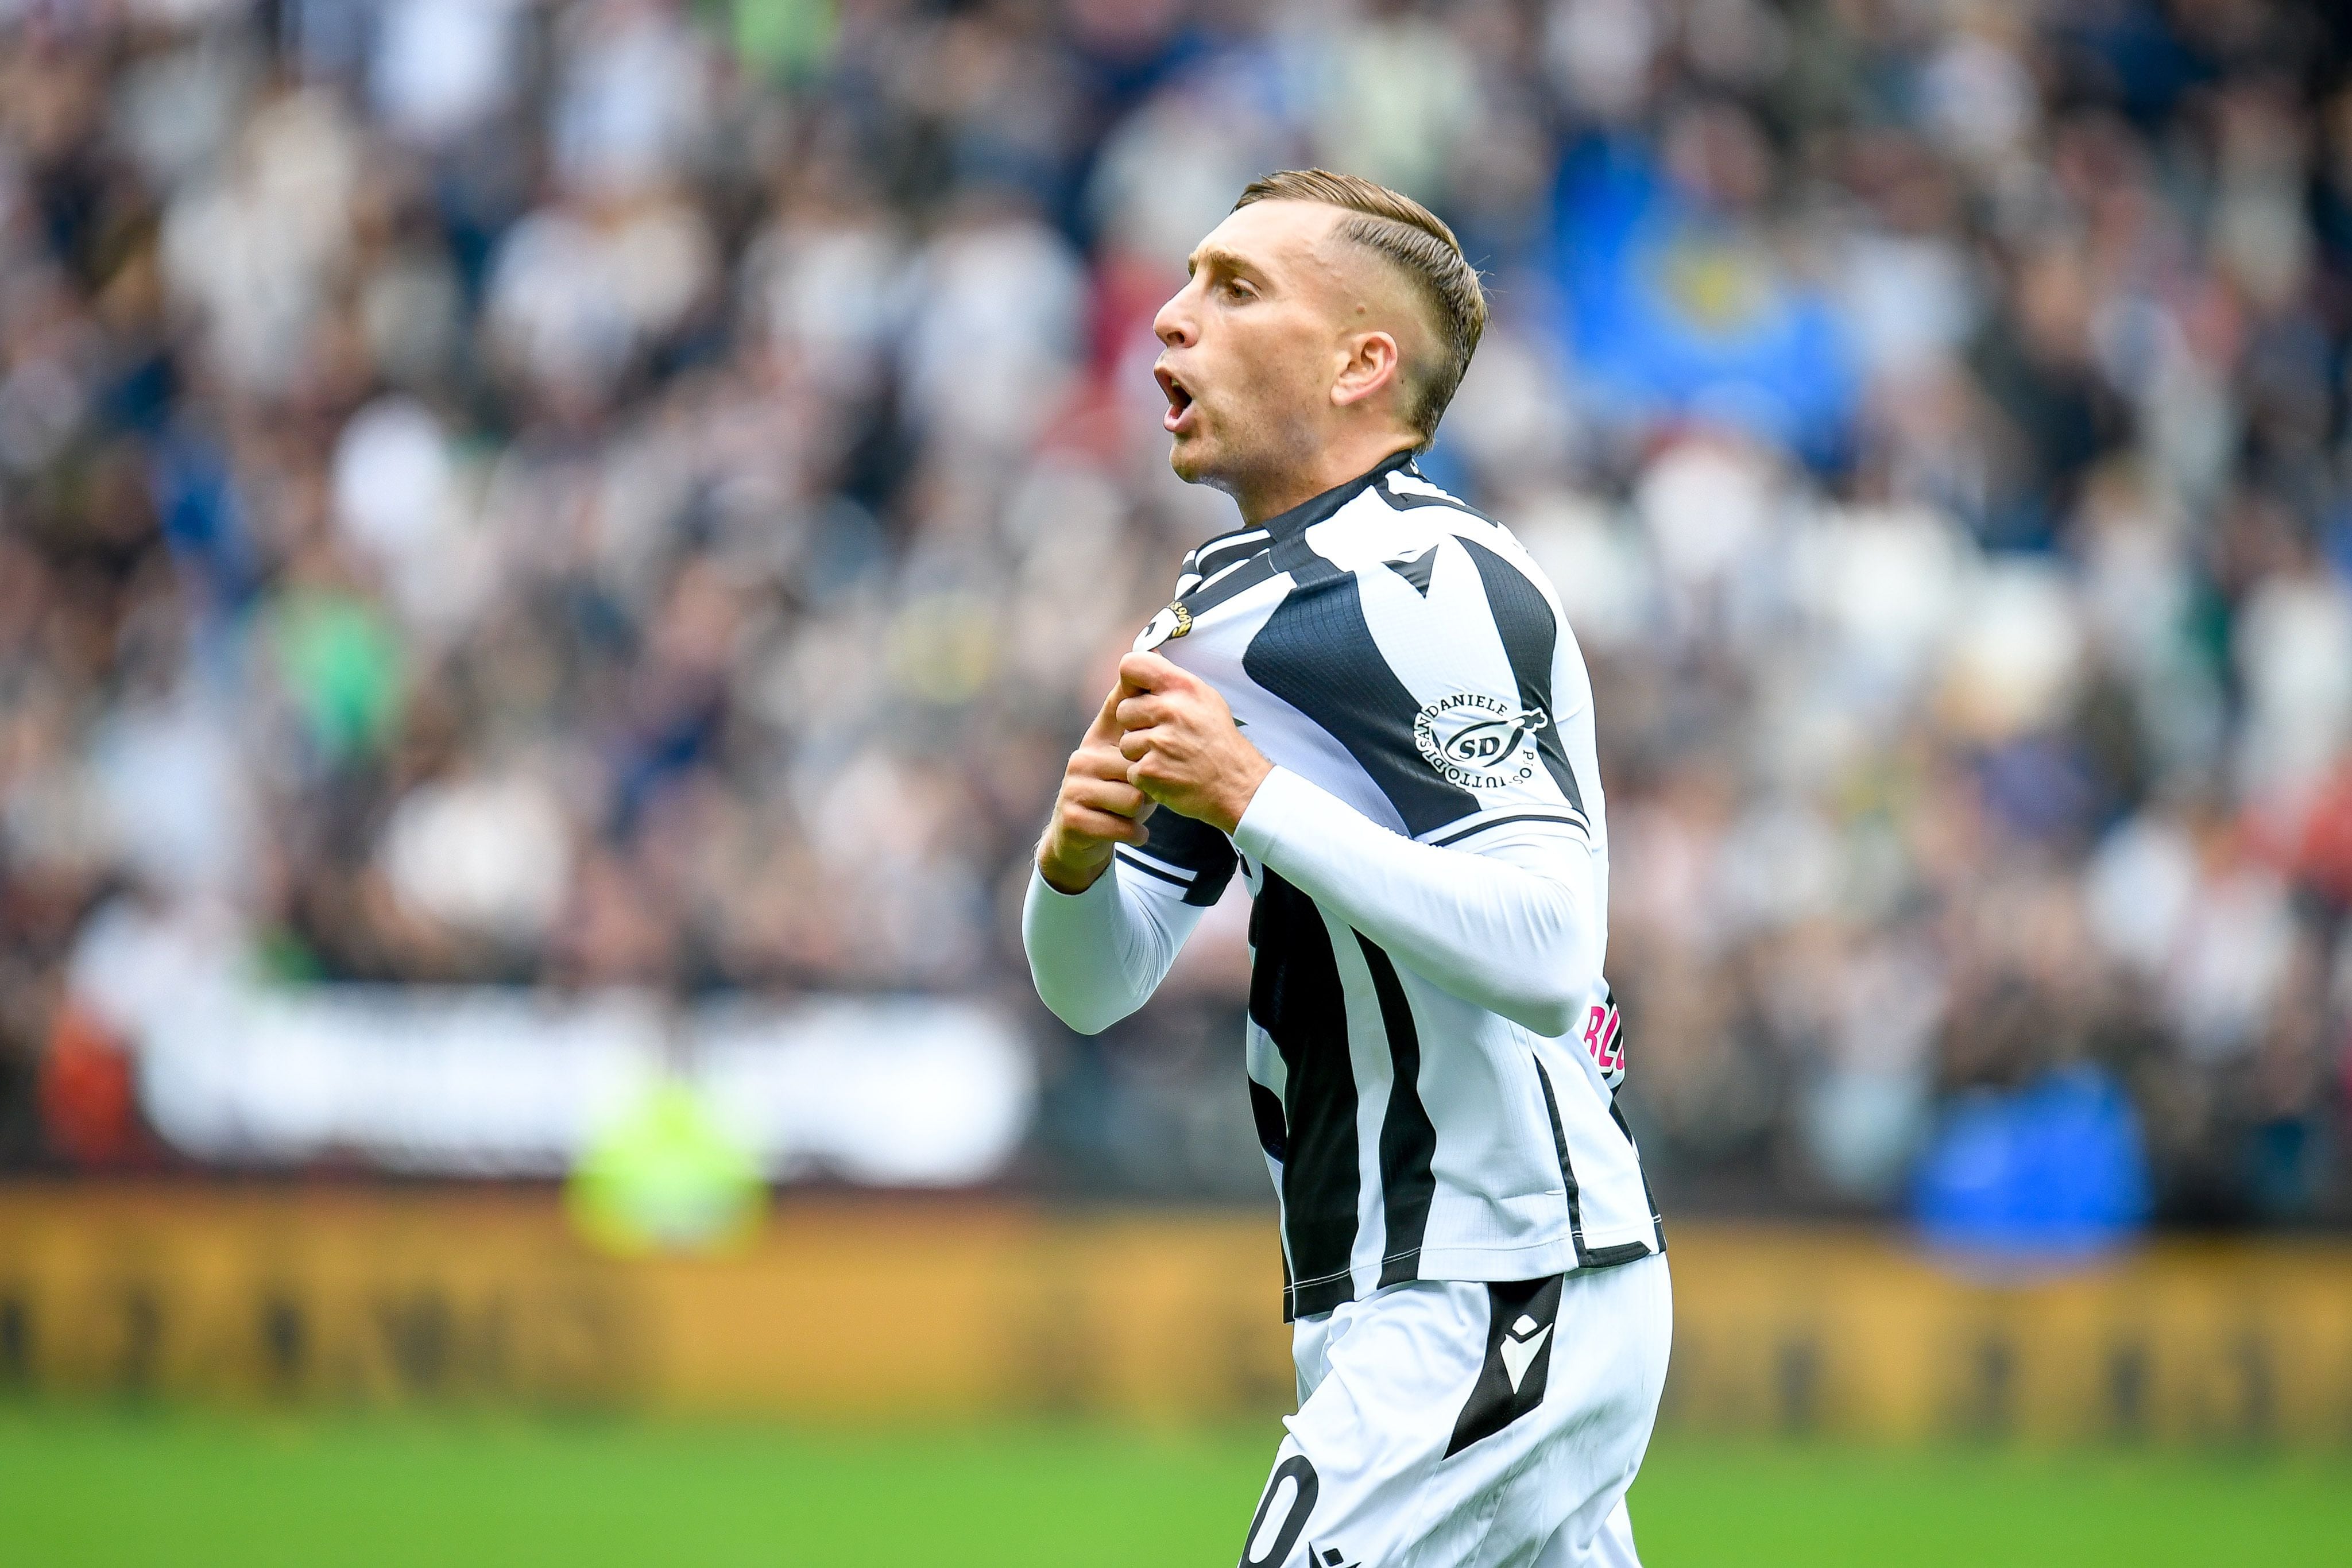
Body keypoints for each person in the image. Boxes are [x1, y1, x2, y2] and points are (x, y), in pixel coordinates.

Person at [1022, 169, 1670, 1567]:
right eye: (1185, 281)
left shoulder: (1429, 580)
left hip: (1500, 1278)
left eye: (1233, 288)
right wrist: (1071, 867)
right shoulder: (1224, 605)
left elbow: (1550, 952)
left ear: (1362, 363)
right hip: (1388, 1288)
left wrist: (1249, 798)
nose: (1169, 324)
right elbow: (1096, 982)